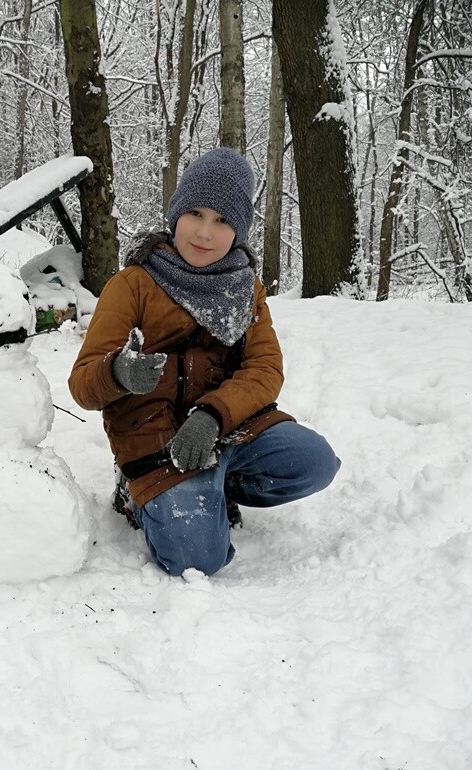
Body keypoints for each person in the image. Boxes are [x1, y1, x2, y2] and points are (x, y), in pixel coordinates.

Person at [68, 148, 340, 577]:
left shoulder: (245, 288)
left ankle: (215, 486)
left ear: (239, 232)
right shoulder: (133, 284)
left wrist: (214, 415)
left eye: (223, 221)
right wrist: (120, 371)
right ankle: (138, 498)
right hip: (155, 441)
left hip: (224, 430)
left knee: (315, 462)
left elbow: (264, 369)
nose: (205, 233)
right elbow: (83, 384)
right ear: (176, 214)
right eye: (195, 213)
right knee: (196, 559)